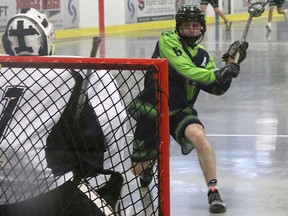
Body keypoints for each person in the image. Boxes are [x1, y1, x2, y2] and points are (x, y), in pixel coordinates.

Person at [0, 8, 127, 216]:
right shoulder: (74, 71)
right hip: (47, 187)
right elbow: (111, 122)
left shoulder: (3, 74)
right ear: (46, 39)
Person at [129, 4, 248, 214]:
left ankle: (213, 191)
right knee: (138, 168)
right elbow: (186, 71)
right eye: (186, 26)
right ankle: (148, 167)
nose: (191, 30)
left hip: (180, 110)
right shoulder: (167, 40)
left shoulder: (202, 55)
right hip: (153, 109)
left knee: (200, 138)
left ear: (202, 28)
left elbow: (217, 88)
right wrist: (219, 73)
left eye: (195, 26)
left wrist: (230, 63)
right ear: (178, 27)